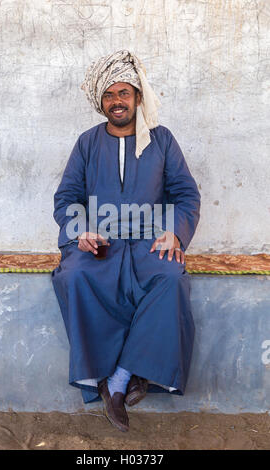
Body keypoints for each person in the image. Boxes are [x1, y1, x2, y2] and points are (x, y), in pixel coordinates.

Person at [51, 50, 201, 432]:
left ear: (137, 97)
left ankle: (117, 380)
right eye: (109, 95)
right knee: (73, 277)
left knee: (169, 279)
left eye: (124, 93)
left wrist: (176, 232)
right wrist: (81, 231)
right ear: (101, 101)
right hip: (100, 244)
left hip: (149, 242)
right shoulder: (87, 143)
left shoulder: (162, 140)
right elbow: (67, 198)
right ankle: (115, 376)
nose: (117, 101)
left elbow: (186, 195)